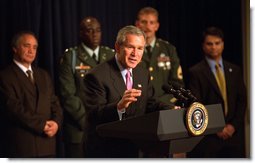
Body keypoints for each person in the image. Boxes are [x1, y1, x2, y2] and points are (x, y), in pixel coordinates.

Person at [82, 25, 175, 158]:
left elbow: (150, 104)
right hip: (106, 151)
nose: (135, 54)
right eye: (130, 47)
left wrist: (171, 109)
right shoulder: (96, 76)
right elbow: (93, 115)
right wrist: (119, 106)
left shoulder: (142, 73)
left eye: (140, 48)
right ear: (118, 47)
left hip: (137, 149)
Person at [58, 16, 115, 157]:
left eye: (98, 30)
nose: (95, 34)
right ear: (81, 33)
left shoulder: (111, 55)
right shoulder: (71, 57)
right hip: (80, 129)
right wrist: (89, 122)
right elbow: (67, 95)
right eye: (90, 30)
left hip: (107, 129)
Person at [0, 31, 63, 157]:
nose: (31, 51)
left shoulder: (43, 75)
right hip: (23, 146)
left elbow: (54, 103)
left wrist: (56, 123)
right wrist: (42, 125)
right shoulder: (5, 76)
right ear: (15, 48)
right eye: (26, 46)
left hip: (47, 145)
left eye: (34, 47)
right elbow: (14, 109)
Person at [187, 26, 247, 158]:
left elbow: (242, 100)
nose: (214, 47)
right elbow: (197, 104)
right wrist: (216, 128)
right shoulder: (195, 72)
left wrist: (232, 126)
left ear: (223, 44)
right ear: (203, 46)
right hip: (208, 139)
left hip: (233, 137)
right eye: (209, 44)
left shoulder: (235, 70)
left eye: (217, 43)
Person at [135, 6, 184, 105]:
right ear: (137, 24)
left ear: (157, 26)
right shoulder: (131, 50)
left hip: (166, 105)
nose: (148, 26)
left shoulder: (169, 49)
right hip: (140, 106)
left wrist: (161, 103)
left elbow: (177, 84)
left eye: (151, 22)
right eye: (144, 22)